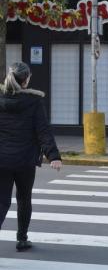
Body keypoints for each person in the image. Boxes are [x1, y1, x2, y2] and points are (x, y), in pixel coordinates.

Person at [0, 62, 62, 251]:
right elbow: (43, 131)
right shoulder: (34, 102)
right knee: (24, 199)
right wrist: (53, 156)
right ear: (26, 80)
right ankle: (21, 239)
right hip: (25, 160)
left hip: (1, 159)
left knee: (1, 201)